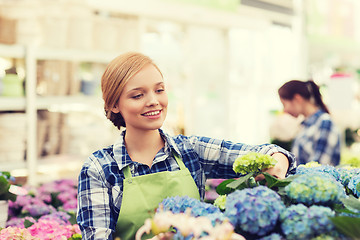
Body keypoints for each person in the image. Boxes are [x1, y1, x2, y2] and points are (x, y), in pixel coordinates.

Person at [76, 52, 296, 240]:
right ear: (114, 104)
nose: (153, 101)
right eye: (138, 95)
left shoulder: (191, 150)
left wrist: (274, 165)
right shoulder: (100, 168)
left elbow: (271, 153)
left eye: (159, 90)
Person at [278, 80, 341, 166]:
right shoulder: (305, 125)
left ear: (297, 99)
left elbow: (318, 166)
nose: (285, 110)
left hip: (314, 179)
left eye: (284, 104)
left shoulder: (324, 123)